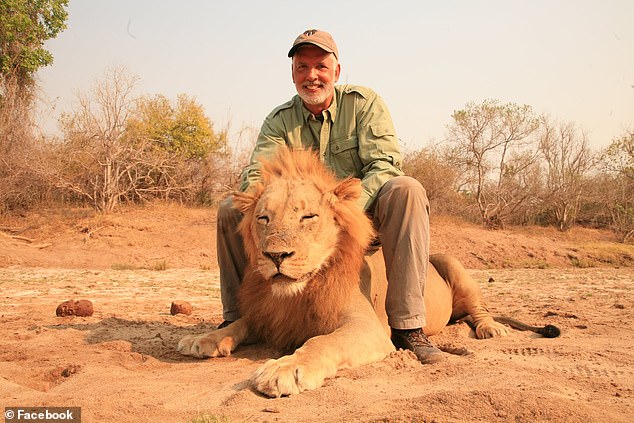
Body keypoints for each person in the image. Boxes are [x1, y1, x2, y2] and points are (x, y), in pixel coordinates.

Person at [216, 29, 443, 364]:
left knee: (406, 189)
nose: (312, 75)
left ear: (336, 72)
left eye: (320, 66)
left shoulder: (363, 105)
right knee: (229, 210)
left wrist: (339, 207)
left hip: (362, 217)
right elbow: (257, 173)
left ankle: (409, 325)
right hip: (304, 227)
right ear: (293, 74)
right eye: (302, 67)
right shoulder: (279, 121)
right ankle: (238, 315)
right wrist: (258, 201)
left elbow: (385, 164)